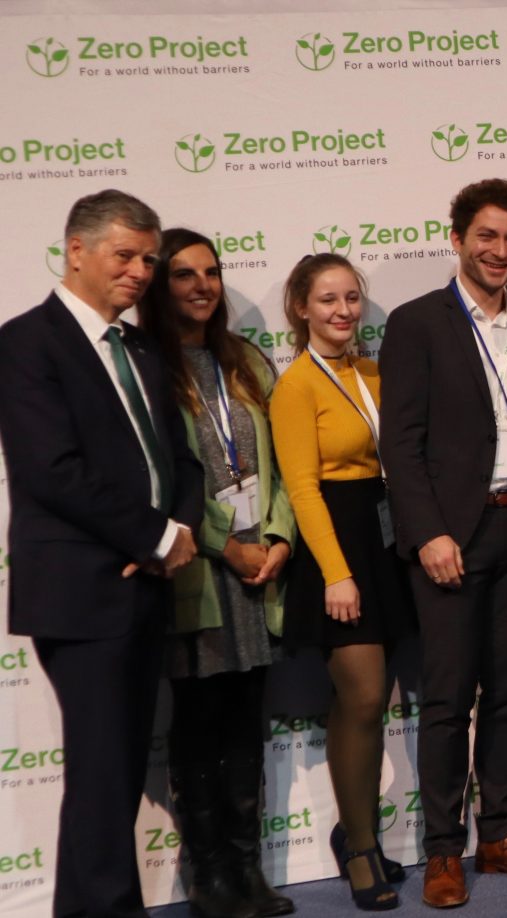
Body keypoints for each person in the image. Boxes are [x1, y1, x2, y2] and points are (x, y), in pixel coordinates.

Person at [0, 190, 204, 917]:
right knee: (100, 773)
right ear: (75, 250)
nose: (142, 271)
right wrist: (151, 537)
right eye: (126, 255)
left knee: (114, 774)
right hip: (79, 592)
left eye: (149, 258)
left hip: (145, 583)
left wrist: (176, 535)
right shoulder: (25, 342)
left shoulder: (144, 346)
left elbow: (182, 461)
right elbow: (50, 471)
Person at [379, 178, 507, 909]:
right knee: (447, 700)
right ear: (457, 238)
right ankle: (441, 852)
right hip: (453, 535)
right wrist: (426, 530)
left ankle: (498, 835)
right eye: (486, 237)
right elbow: (400, 441)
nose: (500, 251)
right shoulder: (416, 322)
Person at [137, 228, 296, 918]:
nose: (202, 285)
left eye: (211, 272)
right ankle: (208, 876)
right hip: (197, 574)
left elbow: (290, 466)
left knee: (244, 722)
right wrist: (224, 546)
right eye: (183, 274)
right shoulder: (144, 368)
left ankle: (247, 868)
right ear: (156, 285)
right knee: (199, 722)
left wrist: (281, 538)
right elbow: (153, 480)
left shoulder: (248, 363)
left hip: (261, 576)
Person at [270, 253, 413, 911]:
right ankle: (357, 848)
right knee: (359, 699)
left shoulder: (372, 372)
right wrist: (336, 573)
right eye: (327, 299)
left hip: (383, 538)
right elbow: (301, 488)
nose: (342, 311)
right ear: (301, 307)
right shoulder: (295, 385)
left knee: (376, 700)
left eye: (352, 299)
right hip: (337, 545)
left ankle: (362, 834)